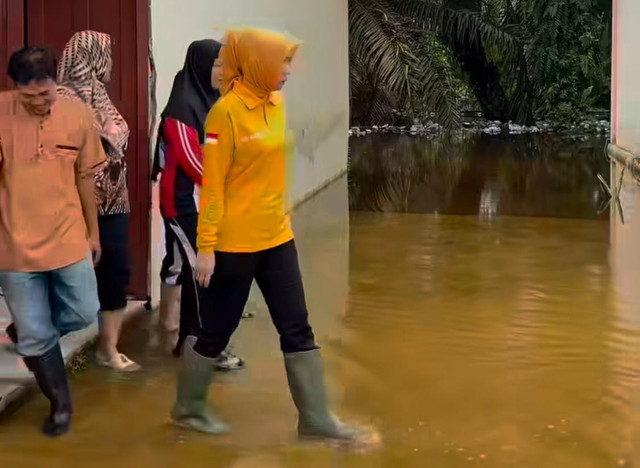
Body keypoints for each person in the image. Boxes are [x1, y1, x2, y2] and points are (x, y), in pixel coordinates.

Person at [171, 28, 362, 441]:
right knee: (217, 331)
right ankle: (188, 409)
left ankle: (316, 420)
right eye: (283, 63)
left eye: (290, 62)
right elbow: (214, 186)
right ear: (258, 63)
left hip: (277, 236)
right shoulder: (225, 113)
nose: (288, 71)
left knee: (297, 327)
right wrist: (206, 247)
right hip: (236, 243)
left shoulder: (276, 104)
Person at [0, 47, 104, 436]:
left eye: (47, 94)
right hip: (13, 243)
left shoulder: (78, 115)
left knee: (83, 312)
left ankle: (28, 336)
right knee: (37, 332)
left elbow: (84, 178)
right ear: (17, 89)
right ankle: (60, 404)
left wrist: (93, 233)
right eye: (31, 98)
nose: (41, 103)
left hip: (67, 237)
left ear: (55, 83)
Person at [152, 40, 244, 369]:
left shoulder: (212, 102)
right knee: (201, 269)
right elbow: (195, 163)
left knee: (181, 263)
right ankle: (199, 344)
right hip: (183, 204)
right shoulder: (182, 109)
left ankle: (170, 331)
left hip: (206, 202)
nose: (223, 71)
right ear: (201, 66)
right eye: (218, 65)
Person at [57, 31, 139, 371]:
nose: (111, 63)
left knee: (116, 271)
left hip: (114, 203)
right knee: (60, 276)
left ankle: (108, 348)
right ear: (89, 56)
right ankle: (34, 333)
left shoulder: (100, 95)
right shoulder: (59, 99)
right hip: (71, 204)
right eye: (106, 54)